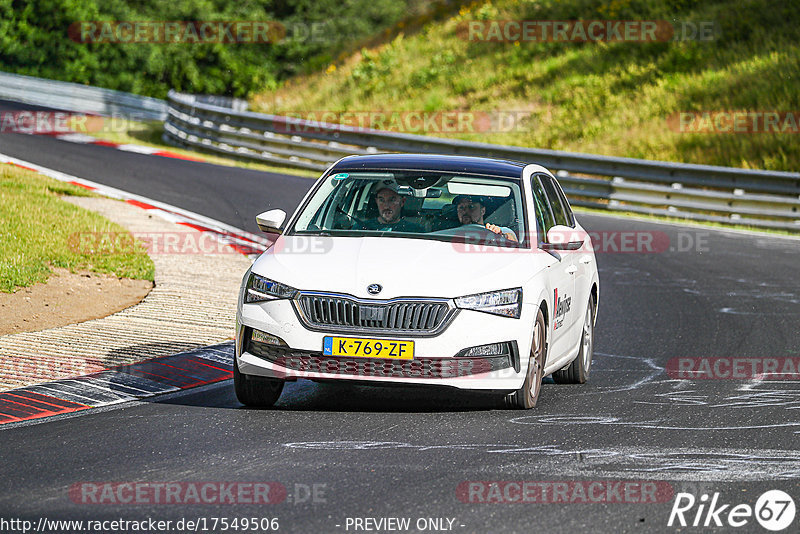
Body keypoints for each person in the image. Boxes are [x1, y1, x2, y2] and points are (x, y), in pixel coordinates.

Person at [359, 180, 424, 233]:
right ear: (376, 201)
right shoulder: (360, 229)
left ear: (402, 202)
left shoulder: (415, 231)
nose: (386, 206)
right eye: (381, 200)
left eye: (392, 200)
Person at [453, 195, 518, 242]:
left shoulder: (499, 230)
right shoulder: (448, 232)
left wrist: (501, 235)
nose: (465, 211)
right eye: (461, 207)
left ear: (483, 211)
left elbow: (514, 244)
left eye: (471, 206)